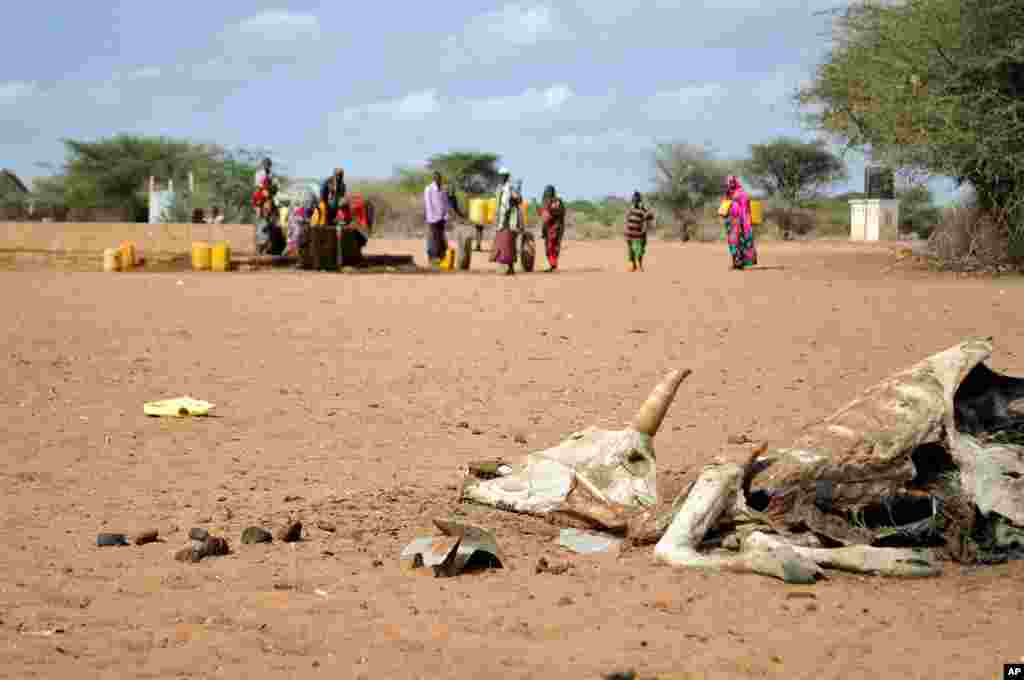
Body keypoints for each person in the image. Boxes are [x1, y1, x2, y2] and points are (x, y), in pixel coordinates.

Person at [491, 168, 522, 275]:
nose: (502, 177)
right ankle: (506, 266)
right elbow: (497, 205)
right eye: (500, 176)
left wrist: (515, 197)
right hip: (501, 220)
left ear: (507, 176)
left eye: (504, 176)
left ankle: (508, 267)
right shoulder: (499, 188)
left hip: (510, 220)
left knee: (509, 243)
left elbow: (519, 200)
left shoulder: (511, 188)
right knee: (502, 243)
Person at [723, 175, 758, 270]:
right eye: (728, 182)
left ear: (735, 182)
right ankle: (735, 262)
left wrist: (745, 220)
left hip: (741, 221)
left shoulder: (741, 192)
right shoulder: (728, 193)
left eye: (731, 182)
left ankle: (740, 263)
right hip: (731, 222)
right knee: (732, 242)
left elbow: (745, 206)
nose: (729, 184)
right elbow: (725, 205)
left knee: (740, 242)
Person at [253, 157, 285, 255]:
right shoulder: (259, 174)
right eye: (265, 164)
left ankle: (270, 245)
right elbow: (258, 185)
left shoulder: (273, 175)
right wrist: (264, 190)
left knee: (274, 217)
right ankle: (260, 246)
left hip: (270, 195)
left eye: (268, 164)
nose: (267, 165)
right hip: (260, 197)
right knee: (260, 219)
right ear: (263, 165)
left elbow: (277, 186)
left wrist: (272, 189)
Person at [423, 171, 450, 267]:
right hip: (432, 218)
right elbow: (428, 204)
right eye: (436, 178)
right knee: (434, 237)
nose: (438, 179)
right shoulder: (428, 189)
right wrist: (432, 217)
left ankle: (441, 257)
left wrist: (446, 214)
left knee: (441, 237)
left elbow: (446, 203)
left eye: (439, 178)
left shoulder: (443, 189)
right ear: (433, 178)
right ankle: (433, 258)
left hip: (442, 218)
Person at [625, 191, 653, 272]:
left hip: (639, 235)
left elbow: (650, 218)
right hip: (630, 234)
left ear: (639, 200)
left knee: (639, 251)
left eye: (637, 199)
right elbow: (627, 220)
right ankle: (634, 266)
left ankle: (640, 266)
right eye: (634, 199)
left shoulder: (643, 209)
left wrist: (645, 228)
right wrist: (626, 231)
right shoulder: (630, 209)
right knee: (631, 251)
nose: (635, 201)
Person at [540, 185, 566, 272]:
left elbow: (548, 215)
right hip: (556, 227)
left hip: (554, 227)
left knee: (550, 247)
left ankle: (553, 265)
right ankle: (553, 265)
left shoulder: (553, 201)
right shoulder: (555, 201)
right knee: (553, 247)